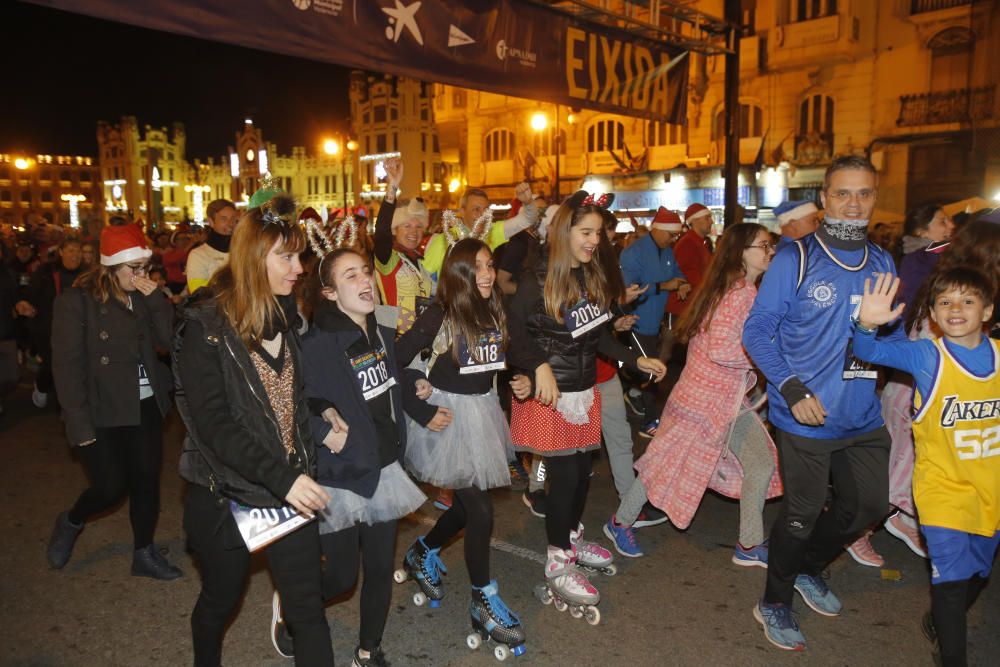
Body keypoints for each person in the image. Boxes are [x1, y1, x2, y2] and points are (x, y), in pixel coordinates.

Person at [744, 155, 897, 651]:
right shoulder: (796, 258)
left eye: (864, 194)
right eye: (843, 193)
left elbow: (876, 339)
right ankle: (774, 600)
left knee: (869, 504)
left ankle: (808, 569)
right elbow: (758, 331)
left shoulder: (882, 261)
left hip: (861, 411)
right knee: (800, 513)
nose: (854, 203)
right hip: (804, 413)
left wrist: (877, 329)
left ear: (875, 199)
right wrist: (791, 387)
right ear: (826, 199)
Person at [175, 188, 334, 666]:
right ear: (253, 257)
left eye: (299, 256)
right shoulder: (204, 327)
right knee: (220, 601)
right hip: (227, 494)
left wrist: (322, 410)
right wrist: (285, 478)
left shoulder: (285, 315)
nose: (298, 268)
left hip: (288, 489)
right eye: (285, 257)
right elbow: (216, 426)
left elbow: (285, 397)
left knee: (308, 613)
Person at [508, 191, 666, 617]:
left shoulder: (588, 275)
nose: (594, 240)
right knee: (565, 475)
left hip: (583, 390)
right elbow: (513, 335)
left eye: (597, 232)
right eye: (586, 232)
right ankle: (557, 559)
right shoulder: (535, 278)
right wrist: (536, 364)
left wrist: (635, 358)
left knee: (581, 473)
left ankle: (570, 536)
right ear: (564, 232)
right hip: (551, 395)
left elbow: (596, 336)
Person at [274, 243, 426, 665]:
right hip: (341, 472)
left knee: (379, 569)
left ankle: (368, 649)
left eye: (365, 272)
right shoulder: (319, 341)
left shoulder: (379, 326)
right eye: (350, 276)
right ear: (328, 293)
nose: (364, 281)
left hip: (383, 464)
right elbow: (292, 399)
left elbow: (392, 371)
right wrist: (324, 430)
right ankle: (293, 608)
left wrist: (414, 383)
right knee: (341, 576)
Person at [605, 223, 783, 561]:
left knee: (758, 463)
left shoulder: (734, 287)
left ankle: (749, 544)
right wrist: (767, 355)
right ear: (740, 253)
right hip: (705, 402)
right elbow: (721, 350)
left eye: (769, 245)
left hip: (718, 400)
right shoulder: (740, 292)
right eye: (762, 245)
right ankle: (619, 522)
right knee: (663, 464)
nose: (770, 251)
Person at [853, 269, 1000, 667]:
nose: (956, 309)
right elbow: (870, 353)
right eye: (946, 301)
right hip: (941, 489)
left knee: (978, 574)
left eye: (968, 301)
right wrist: (866, 324)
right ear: (933, 313)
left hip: (990, 490)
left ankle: (939, 618)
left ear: (987, 310)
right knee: (951, 582)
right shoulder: (926, 354)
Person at [394, 238, 531, 657]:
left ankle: (423, 551)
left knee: (463, 507)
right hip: (449, 418)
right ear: (459, 274)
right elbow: (390, 362)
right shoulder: (441, 313)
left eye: (490, 265)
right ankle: (482, 598)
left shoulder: (495, 307)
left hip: (482, 411)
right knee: (481, 510)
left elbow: (507, 354)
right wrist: (418, 405)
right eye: (478, 268)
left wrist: (522, 376)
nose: (487, 274)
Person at [45, 224, 180, 580]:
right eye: (133, 269)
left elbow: (170, 342)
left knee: (146, 480)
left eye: (144, 267)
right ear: (110, 266)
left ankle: (143, 552)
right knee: (109, 487)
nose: (140, 276)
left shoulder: (144, 297)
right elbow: (67, 367)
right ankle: (72, 520)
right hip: (101, 409)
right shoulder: (76, 302)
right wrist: (77, 423)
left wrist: (156, 299)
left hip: (146, 403)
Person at [847, 203, 955, 567]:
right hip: (911, 380)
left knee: (914, 463)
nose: (950, 226)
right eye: (941, 222)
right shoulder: (920, 265)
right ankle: (860, 529)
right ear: (923, 231)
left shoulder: (937, 265)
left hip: (924, 382)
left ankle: (903, 518)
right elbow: (896, 328)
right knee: (896, 464)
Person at [619, 206, 690, 437]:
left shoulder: (666, 250)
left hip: (653, 323)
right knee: (652, 371)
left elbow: (677, 272)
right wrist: (664, 286)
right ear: (658, 229)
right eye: (671, 234)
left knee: (645, 369)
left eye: (676, 235)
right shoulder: (633, 253)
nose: (674, 239)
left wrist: (683, 283)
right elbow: (629, 290)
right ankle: (649, 422)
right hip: (635, 322)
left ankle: (629, 392)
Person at [15, 237, 83, 408]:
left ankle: (69, 402)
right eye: (71, 251)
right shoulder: (46, 272)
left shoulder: (87, 274)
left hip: (78, 329)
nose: (75, 255)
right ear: (61, 252)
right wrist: (24, 304)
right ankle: (42, 385)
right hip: (49, 328)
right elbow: (30, 294)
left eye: (78, 251)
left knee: (75, 366)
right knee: (52, 365)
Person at [185, 198, 237, 293]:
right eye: (223, 219)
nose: (230, 224)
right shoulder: (197, 255)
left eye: (233, 219)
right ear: (211, 222)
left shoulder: (243, 250)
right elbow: (198, 294)